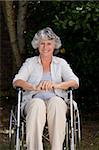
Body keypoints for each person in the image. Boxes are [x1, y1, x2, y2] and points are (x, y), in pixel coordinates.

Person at [13, 27, 79, 150]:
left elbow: (75, 82)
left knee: (56, 102)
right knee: (37, 104)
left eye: (49, 43)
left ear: (54, 46)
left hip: (56, 102)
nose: (45, 47)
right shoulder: (30, 63)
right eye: (42, 43)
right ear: (37, 45)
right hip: (33, 102)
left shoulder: (61, 63)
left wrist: (56, 85)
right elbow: (17, 81)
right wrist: (33, 86)